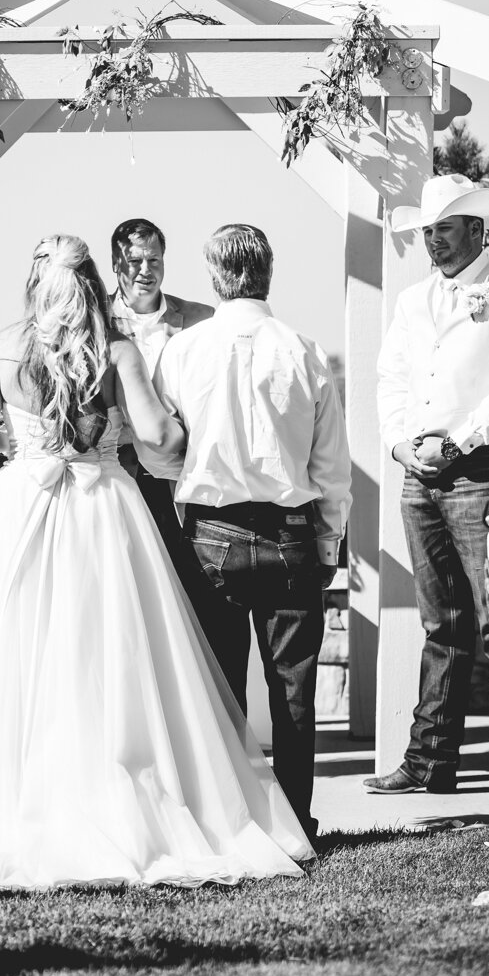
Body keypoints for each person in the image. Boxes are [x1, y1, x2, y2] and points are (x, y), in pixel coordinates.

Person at [0, 234, 313, 889]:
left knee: (15, 654)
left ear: (35, 282)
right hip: (104, 508)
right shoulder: (117, 351)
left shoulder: (7, 348)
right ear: (94, 281)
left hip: (23, 505)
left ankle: (15, 805)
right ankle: (128, 799)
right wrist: (170, 436)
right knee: (115, 656)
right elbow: (158, 434)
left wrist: (20, 444)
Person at [140, 223, 351, 844]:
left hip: (210, 536)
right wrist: (329, 540)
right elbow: (331, 468)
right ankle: (298, 823)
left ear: (214, 277)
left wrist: (194, 473)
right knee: (294, 689)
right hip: (290, 535)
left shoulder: (181, 352)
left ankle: (234, 825)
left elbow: (156, 449)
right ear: (267, 273)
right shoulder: (304, 350)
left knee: (222, 690)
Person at [366, 173, 489, 808]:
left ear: (476, 229)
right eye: (427, 231)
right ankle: (429, 762)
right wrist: (399, 444)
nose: (432, 241)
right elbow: (390, 378)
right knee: (440, 624)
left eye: (443, 229)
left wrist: (458, 442)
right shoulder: (413, 301)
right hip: (420, 477)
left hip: (485, 474)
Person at [108, 217, 212, 558]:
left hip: (184, 470)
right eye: (135, 261)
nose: (145, 270)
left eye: (154, 260)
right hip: (117, 470)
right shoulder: (94, 320)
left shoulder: (203, 319)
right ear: (116, 265)